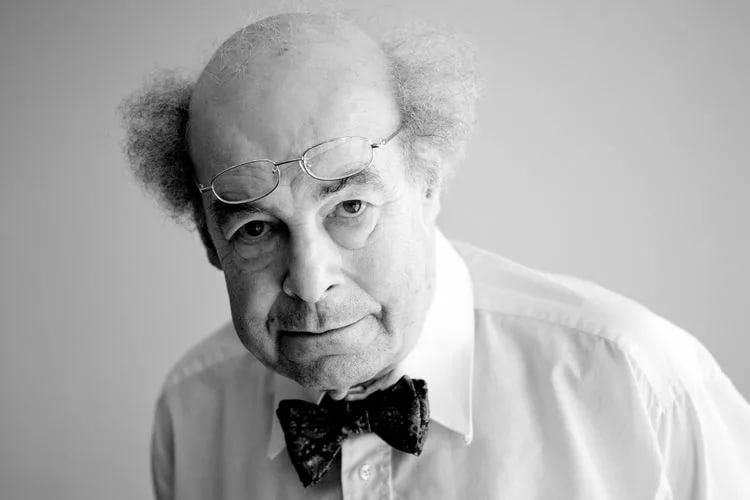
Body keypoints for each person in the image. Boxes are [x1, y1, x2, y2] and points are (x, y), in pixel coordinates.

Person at [121, 12, 750, 500]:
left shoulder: (641, 383)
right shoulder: (191, 413)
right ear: (208, 239)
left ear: (428, 182)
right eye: (256, 228)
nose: (310, 283)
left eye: (350, 206)